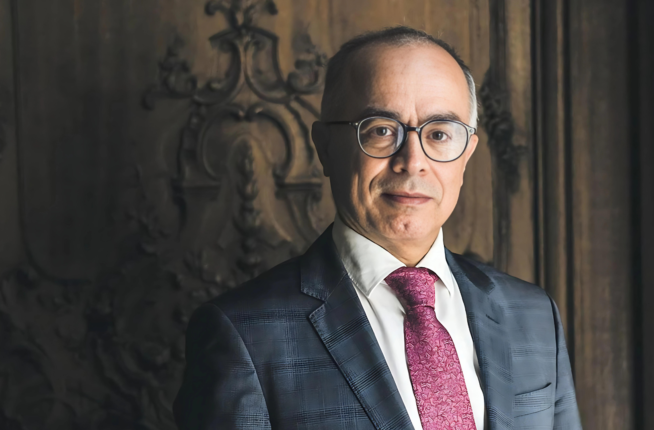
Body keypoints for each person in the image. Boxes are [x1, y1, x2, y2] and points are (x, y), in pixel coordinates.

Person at [173, 26, 581, 430]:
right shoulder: (244, 334)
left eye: (439, 134)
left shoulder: (533, 315)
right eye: (382, 130)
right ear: (325, 147)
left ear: (466, 155)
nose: (413, 161)